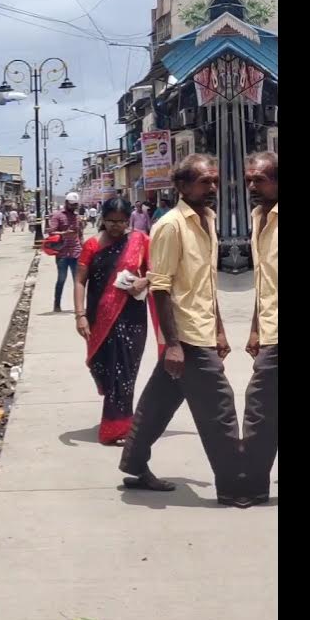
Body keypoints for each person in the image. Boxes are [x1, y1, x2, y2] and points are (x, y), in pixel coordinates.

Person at [118, 153, 248, 506]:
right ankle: (235, 488)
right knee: (220, 410)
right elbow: (160, 287)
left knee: (159, 401)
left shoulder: (209, 219)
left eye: (215, 181)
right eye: (205, 182)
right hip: (186, 336)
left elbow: (205, 283)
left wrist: (219, 329)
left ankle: (134, 464)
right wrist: (173, 345)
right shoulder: (170, 226)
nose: (213, 188)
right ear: (182, 186)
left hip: (202, 328)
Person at [73, 197, 153, 446]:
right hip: (100, 318)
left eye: (120, 221)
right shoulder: (92, 245)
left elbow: (158, 270)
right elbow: (80, 281)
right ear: (103, 219)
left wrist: (144, 281)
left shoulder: (141, 241)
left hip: (132, 317)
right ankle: (118, 420)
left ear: (128, 219)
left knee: (124, 371)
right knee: (105, 369)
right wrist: (80, 315)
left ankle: (116, 427)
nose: (115, 226)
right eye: (110, 221)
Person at [238, 151, 278, 505]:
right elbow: (265, 282)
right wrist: (255, 328)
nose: (251, 186)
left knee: (259, 407)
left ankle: (251, 485)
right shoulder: (257, 218)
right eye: (249, 179)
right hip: (270, 329)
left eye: (259, 180)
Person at [48, 192, 85, 313]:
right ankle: (57, 305)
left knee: (78, 281)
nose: (74, 206)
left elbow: (80, 235)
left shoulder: (77, 217)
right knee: (61, 279)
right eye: (72, 204)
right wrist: (64, 233)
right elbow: (51, 232)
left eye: (76, 204)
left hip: (76, 252)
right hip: (62, 253)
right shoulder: (57, 216)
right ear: (66, 203)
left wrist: (84, 248)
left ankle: (78, 306)